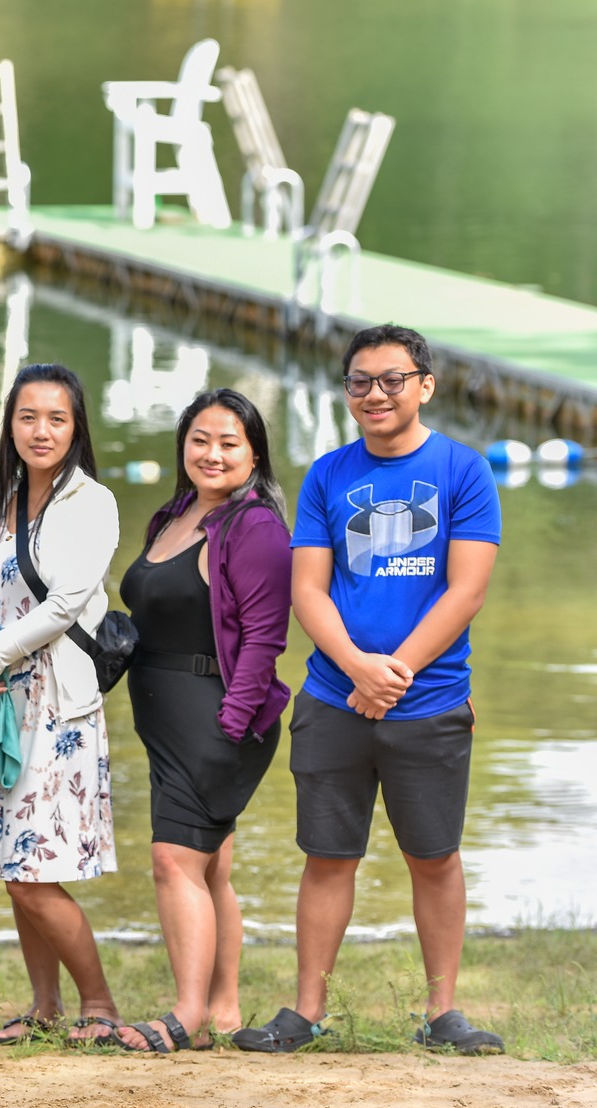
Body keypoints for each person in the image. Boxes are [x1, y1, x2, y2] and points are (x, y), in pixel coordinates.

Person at [235, 325, 504, 1055]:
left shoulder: (464, 471)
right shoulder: (327, 474)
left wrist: (393, 675)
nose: (375, 394)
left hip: (431, 700)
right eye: (360, 381)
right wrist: (357, 667)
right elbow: (309, 589)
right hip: (334, 698)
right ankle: (306, 1010)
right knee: (327, 856)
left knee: (435, 855)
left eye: (391, 379)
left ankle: (443, 1011)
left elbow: (466, 589)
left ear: (425, 384)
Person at [0, 363, 122, 1046]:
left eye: (56, 418)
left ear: (76, 428)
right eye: (27, 416)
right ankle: (44, 1006)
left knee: (31, 871)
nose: (40, 430)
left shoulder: (90, 502)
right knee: (17, 865)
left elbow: (64, 604)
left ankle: (99, 1004)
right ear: (9, 424)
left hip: (53, 708)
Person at [111, 389, 291, 1053]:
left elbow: (266, 640)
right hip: (167, 718)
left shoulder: (256, 527)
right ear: (183, 445)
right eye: (199, 440)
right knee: (211, 870)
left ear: (254, 454)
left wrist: (231, 727)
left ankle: (184, 1015)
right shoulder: (177, 512)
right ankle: (222, 1008)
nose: (211, 453)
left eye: (229, 443)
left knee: (173, 861)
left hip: (216, 715)